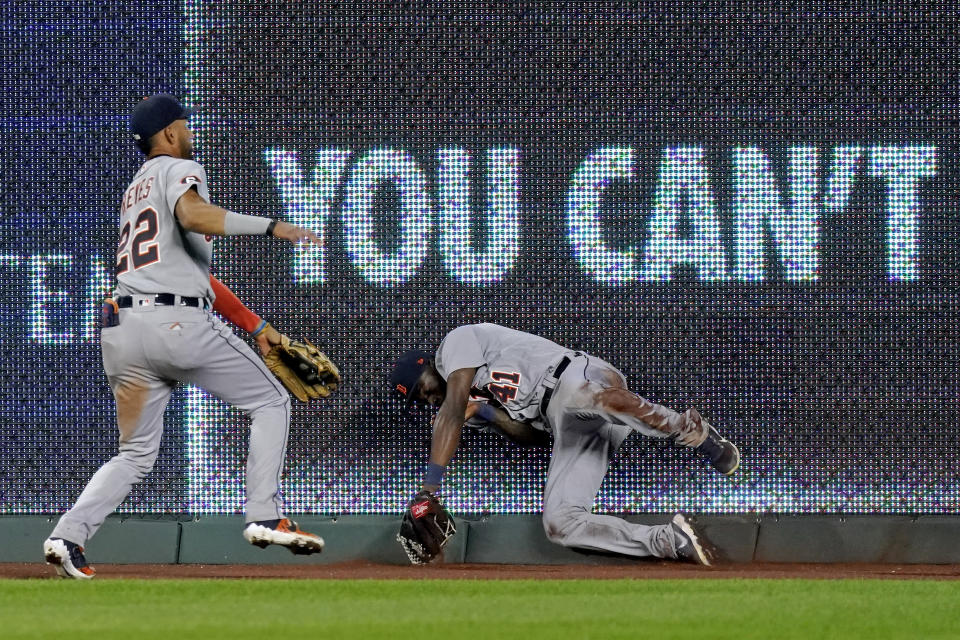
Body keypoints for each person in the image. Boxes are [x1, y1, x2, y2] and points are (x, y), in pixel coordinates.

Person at [43, 94, 325, 579]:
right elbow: (195, 215)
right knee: (271, 401)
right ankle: (262, 512)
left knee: (133, 454)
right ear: (170, 134)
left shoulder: (135, 192)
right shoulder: (178, 169)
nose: (189, 132)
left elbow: (195, 275)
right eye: (185, 126)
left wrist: (256, 327)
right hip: (176, 326)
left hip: (124, 333)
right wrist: (274, 226)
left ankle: (67, 536)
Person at [390, 323, 740, 565]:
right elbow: (537, 437)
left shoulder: (455, 344)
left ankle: (690, 429)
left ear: (429, 364)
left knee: (591, 399)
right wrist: (488, 413)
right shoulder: (474, 406)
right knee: (560, 524)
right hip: (565, 421)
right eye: (420, 400)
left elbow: (449, 411)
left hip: (575, 376)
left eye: (421, 387)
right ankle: (672, 541)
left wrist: (429, 489)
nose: (427, 398)